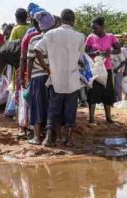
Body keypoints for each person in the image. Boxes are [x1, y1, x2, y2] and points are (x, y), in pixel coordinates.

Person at [34, 9, 85, 147]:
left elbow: (37, 50)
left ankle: (49, 139)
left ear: (61, 20)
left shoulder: (50, 34)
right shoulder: (80, 36)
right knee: (70, 109)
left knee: (53, 109)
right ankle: (68, 139)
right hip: (72, 79)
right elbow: (80, 58)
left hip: (55, 78)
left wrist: (46, 67)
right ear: (73, 21)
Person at [26, 11, 55, 145]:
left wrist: (28, 77)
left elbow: (29, 60)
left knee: (37, 106)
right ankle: (52, 136)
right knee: (51, 105)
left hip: (37, 77)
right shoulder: (55, 38)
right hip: (53, 76)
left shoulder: (34, 40)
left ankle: (37, 137)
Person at [85, 16, 121, 124]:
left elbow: (118, 49)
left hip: (107, 69)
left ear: (102, 27)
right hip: (95, 70)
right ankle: (91, 117)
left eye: (95, 28)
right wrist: (94, 53)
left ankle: (108, 117)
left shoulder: (110, 37)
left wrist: (108, 52)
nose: (93, 30)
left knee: (107, 93)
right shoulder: (90, 37)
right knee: (93, 93)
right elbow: (85, 52)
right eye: (92, 28)